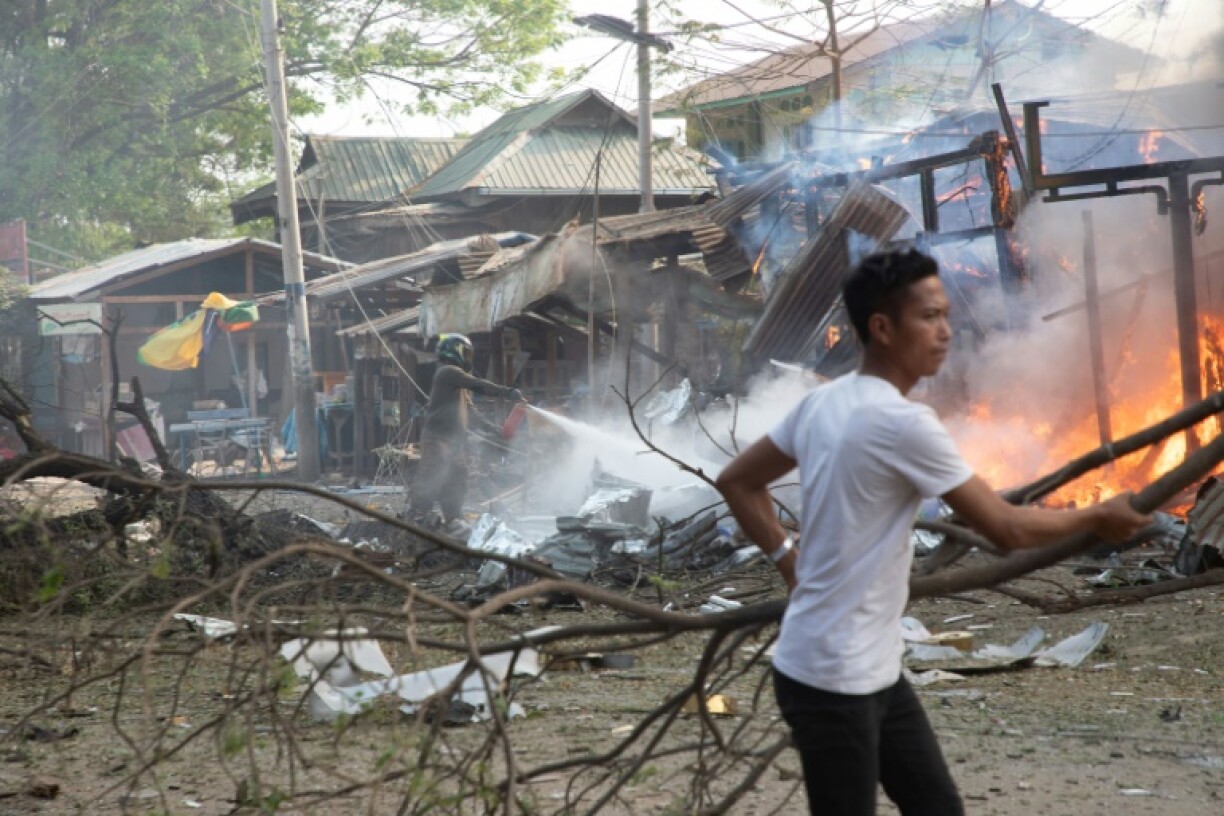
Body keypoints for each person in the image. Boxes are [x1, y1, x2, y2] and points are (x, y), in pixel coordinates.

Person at [714, 249, 1150, 816]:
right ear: (882, 328)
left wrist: (788, 560)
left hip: (871, 666)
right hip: (831, 675)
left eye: (946, 315)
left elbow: (737, 481)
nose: (946, 331)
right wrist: (1096, 516)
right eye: (929, 317)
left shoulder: (823, 402)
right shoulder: (905, 423)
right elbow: (1005, 527)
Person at [410, 333, 524, 530]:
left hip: (453, 443)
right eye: (466, 353)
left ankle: (452, 520)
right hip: (438, 439)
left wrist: (496, 430)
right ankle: (416, 519)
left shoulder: (458, 386)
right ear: (455, 352)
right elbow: (478, 384)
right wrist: (507, 392)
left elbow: (472, 414)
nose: (469, 358)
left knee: (456, 480)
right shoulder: (447, 372)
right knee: (431, 477)